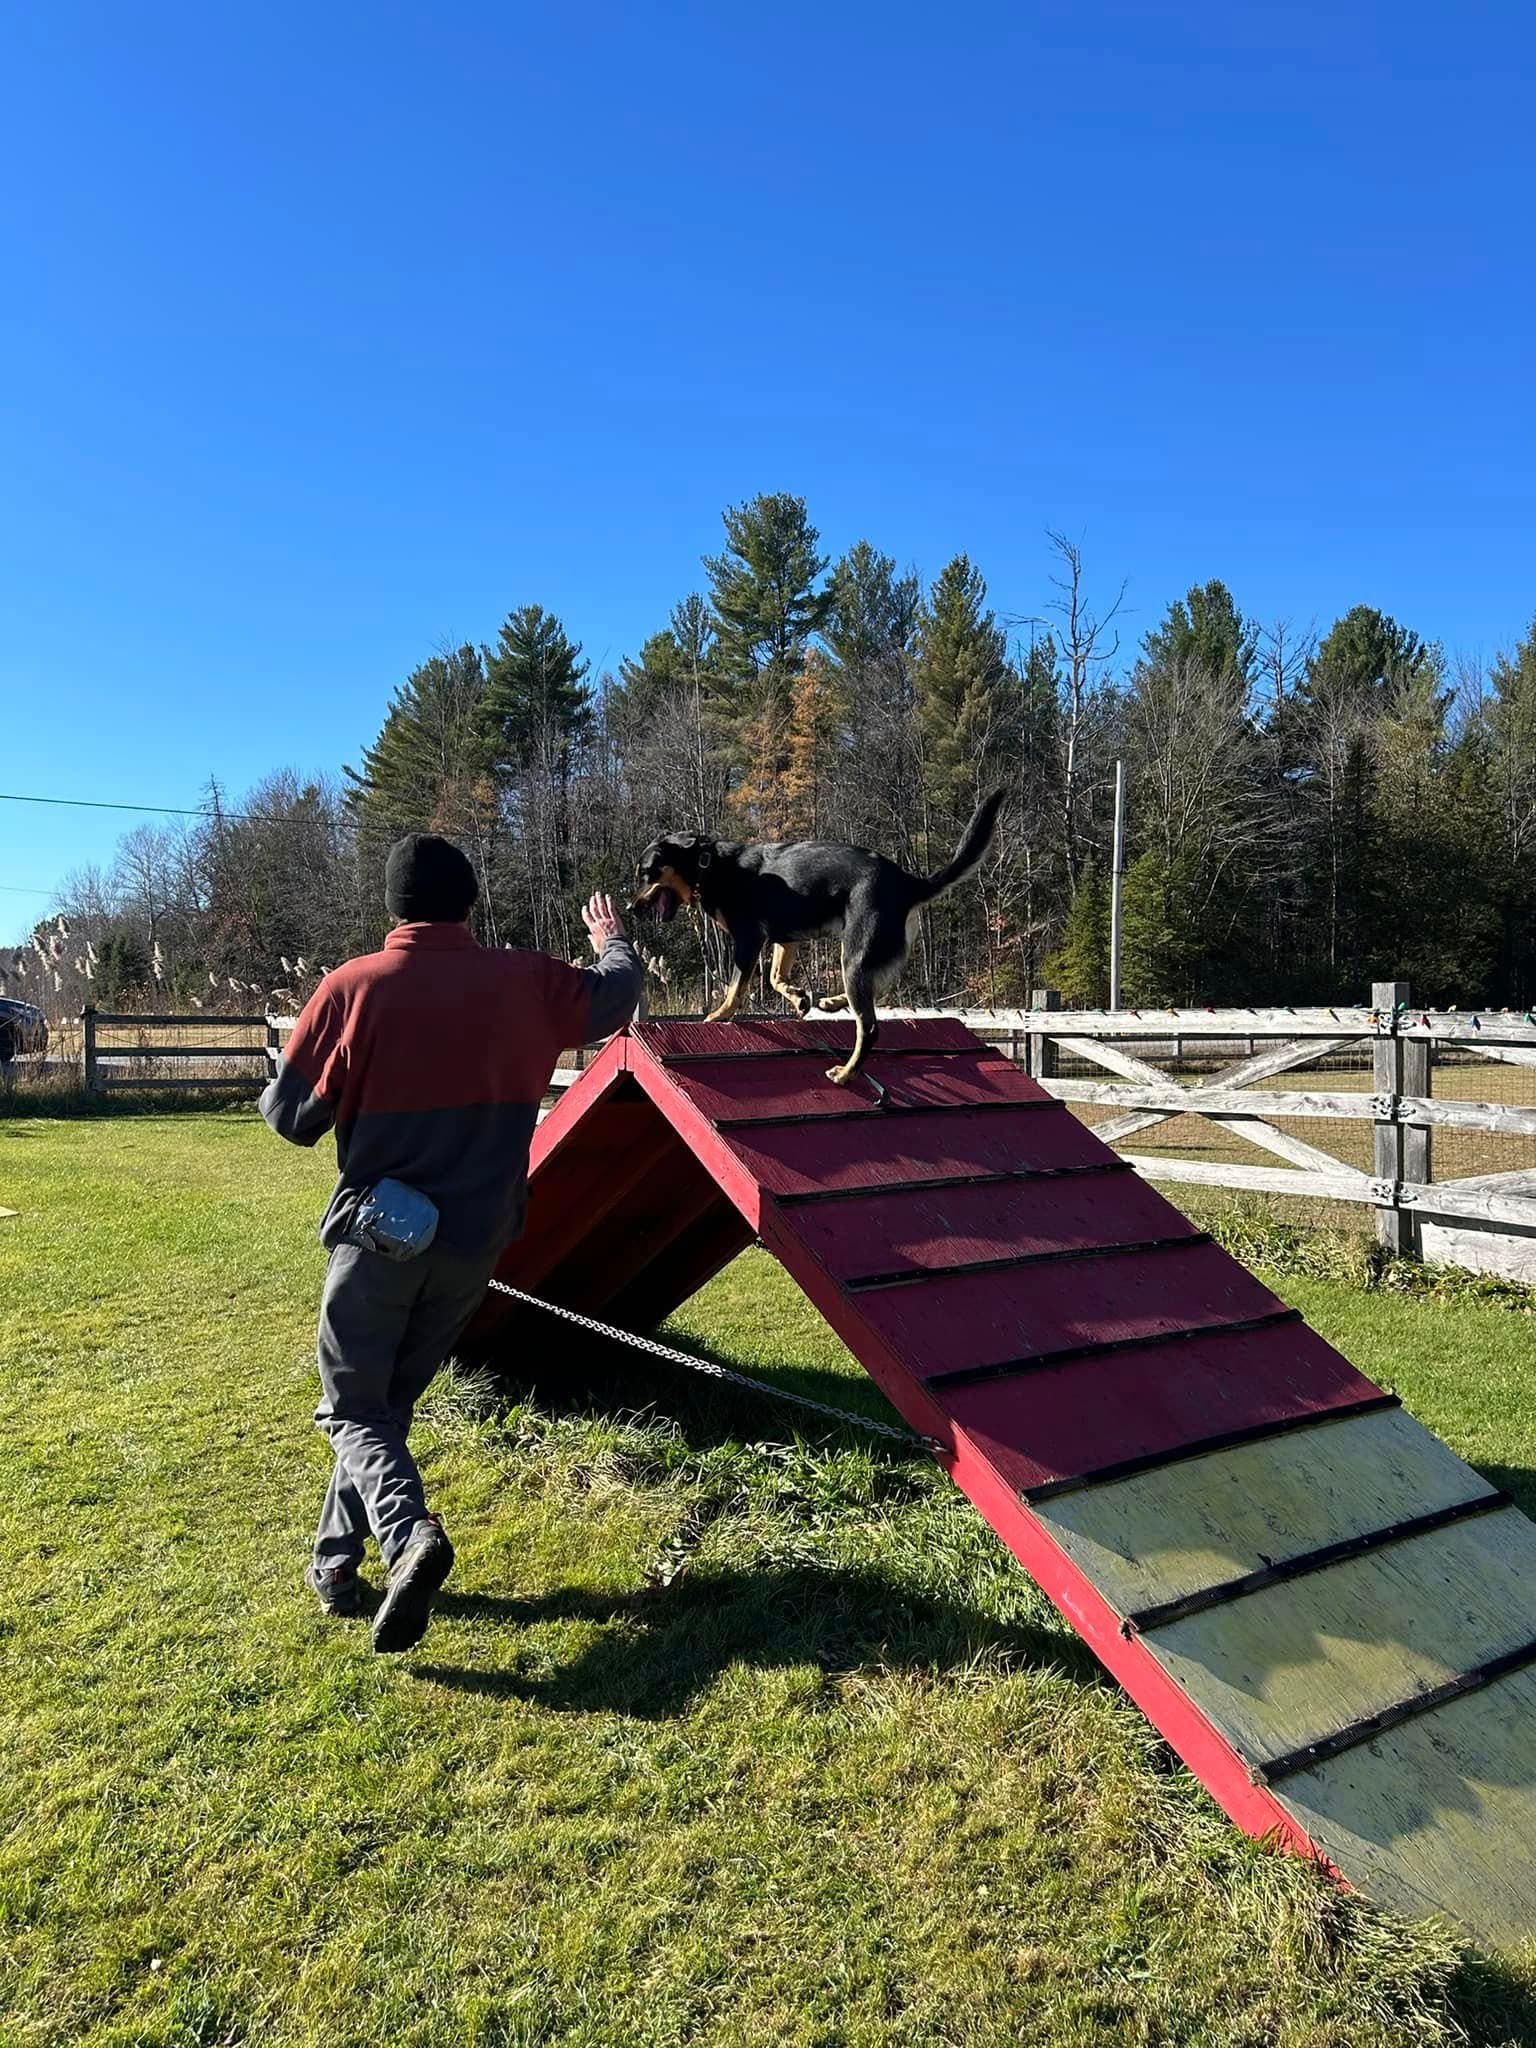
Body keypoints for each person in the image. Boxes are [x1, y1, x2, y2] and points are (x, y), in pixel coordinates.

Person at [260, 833, 642, 1654]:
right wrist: (611, 939)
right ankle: (335, 1567)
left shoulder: (351, 987)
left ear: (392, 907)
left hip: (381, 1238)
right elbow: (615, 995)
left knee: (351, 1408)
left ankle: (408, 1537)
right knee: (384, 1408)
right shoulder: (527, 980)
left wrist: (328, 1067)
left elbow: (291, 1118)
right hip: (479, 1240)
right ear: (470, 902)